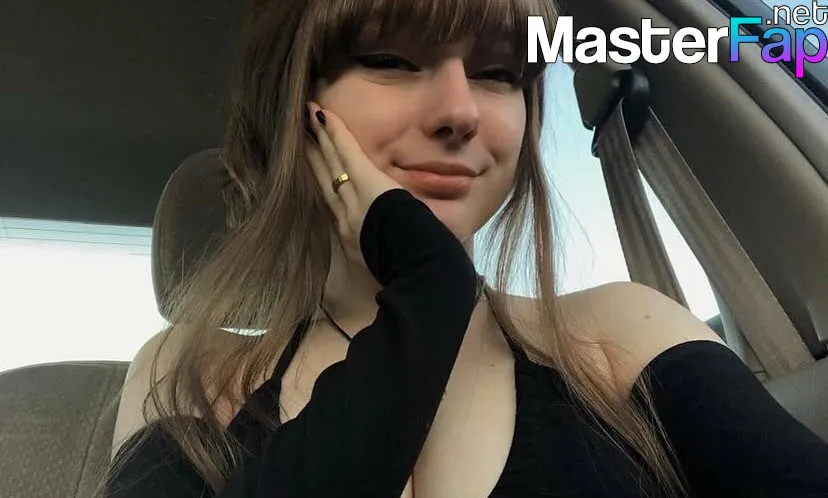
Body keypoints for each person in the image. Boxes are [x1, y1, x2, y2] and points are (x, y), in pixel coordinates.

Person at [99, 0, 828, 496]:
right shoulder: (192, 376)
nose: (459, 110)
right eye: (388, 57)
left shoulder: (620, 335)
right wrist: (427, 289)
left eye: (499, 73)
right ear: (290, 108)